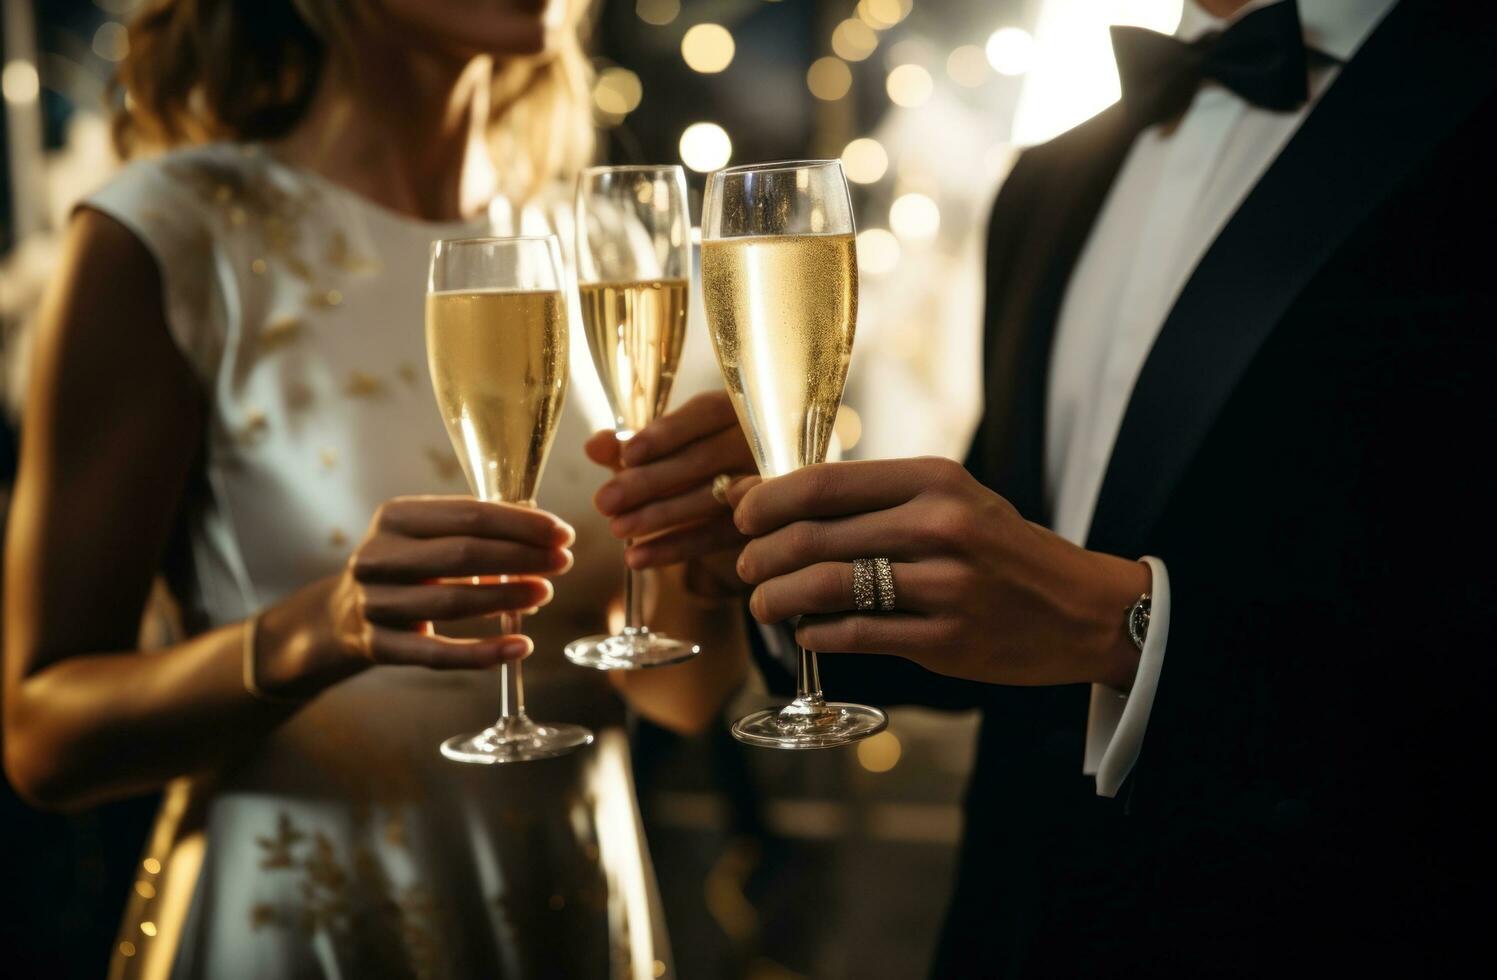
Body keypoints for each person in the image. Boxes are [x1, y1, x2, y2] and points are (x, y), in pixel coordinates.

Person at [595, 0, 1497, 975]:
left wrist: (1129, 631)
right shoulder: (1048, 179)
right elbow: (1003, 594)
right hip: (1015, 926)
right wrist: (767, 554)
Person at [2, 1, 743, 977]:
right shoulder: (171, 235)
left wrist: (709, 559)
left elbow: (684, 695)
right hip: (292, 930)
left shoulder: (603, 245)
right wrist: (320, 629)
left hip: (571, 908)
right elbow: (43, 735)